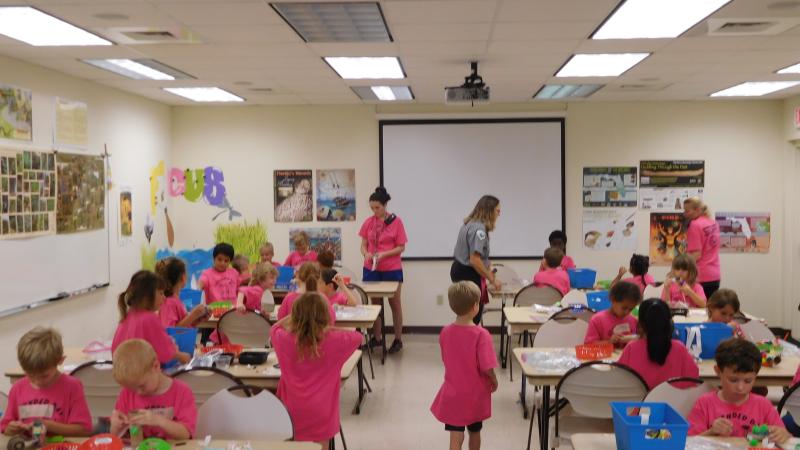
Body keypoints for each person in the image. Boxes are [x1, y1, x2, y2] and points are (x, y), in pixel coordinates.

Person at [271, 293, 362, 448]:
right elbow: (357, 336)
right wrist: (328, 327)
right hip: (322, 410)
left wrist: (294, 317)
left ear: (294, 314)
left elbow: (275, 328)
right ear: (326, 315)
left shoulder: (282, 338)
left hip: (290, 408)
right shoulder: (336, 341)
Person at [430, 282, 498, 450]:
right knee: (475, 433)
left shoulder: (445, 331)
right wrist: (494, 379)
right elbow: (487, 367)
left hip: (453, 393)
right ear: (476, 306)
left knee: (455, 435)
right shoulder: (482, 335)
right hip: (474, 395)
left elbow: (446, 359)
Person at [687, 338, 789, 443]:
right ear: (718, 371)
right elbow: (690, 442)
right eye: (733, 380)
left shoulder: (763, 405)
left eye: (748, 381)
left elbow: (784, 434)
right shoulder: (705, 403)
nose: (740, 388)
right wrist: (711, 432)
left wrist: (781, 434)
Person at [0, 327, 92, 437]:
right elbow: (5, 426)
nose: (37, 381)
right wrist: (10, 429)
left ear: (60, 360)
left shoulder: (72, 387)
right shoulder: (17, 389)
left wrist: (48, 425)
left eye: (44, 376)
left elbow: (84, 430)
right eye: (30, 375)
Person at [110, 339, 196, 440]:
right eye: (131, 388)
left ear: (156, 366)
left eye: (142, 386)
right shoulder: (127, 393)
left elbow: (186, 434)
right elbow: (115, 438)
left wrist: (158, 421)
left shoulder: (182, 392)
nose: (138, 393)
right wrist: (115, 427)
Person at [359, 187, 408, 353]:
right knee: (375, 303)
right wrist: (366, 254)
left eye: (377, 208)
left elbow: (401, 247)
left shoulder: (396, 222)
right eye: (372, 208)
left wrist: (384, 254)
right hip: (371, 268)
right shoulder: (368, 222)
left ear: (385, 205)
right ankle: (377, 338)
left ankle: (397, 339)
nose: (374, 211)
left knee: (394, 303)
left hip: (391, 268)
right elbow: (363, 245)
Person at [112, 271, 191, 365]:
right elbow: (165, 352)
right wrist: (182, 356)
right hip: (141, 374)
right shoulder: (149, 318)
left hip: (125, 373)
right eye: (161, 293)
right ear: (146, 296)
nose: (164, 298)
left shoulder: (128, 314)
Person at [617, 299, 699, 389]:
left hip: (640, 403)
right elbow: (693, 379)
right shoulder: (679, 348)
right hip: (673, 402)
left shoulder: (632, 348)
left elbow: (619, 379)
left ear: (641, 324)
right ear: (669, 324)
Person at [451, 195, 501, 326]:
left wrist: (487, 265)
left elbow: (477, 256)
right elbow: (474, 260)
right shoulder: (479, 230)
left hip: (460, 270)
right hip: (468, 274)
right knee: (472, 316)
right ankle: (469, 345)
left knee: (465, 316)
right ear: (489, 211)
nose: (499, 214)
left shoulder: (469, 224)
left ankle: (465, 344)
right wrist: (492, 278)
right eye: (497, 210)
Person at [684, 197, 721, 298]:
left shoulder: (695, 225)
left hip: (701, 276)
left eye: (687, 211)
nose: (685, 214)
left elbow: (696, 254)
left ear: (697, 210)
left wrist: (680, 265)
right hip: (715, 275)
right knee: (710, 310)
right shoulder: (714, 223)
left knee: (698, 311)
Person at [584, 281, 641, 346]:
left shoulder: (633, 321)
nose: (627, 312)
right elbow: (588, 345)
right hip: (605, 355)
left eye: (631, 309)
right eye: (624, 308)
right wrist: (609, 342)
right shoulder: (597, 320)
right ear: (613, 300)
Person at [156, 257, 207, 328]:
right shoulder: (169, 303)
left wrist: (197, 319)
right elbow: (171, 331)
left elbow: (183, 325)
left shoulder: (174, 300)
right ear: (182, 277)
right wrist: (193, 315)